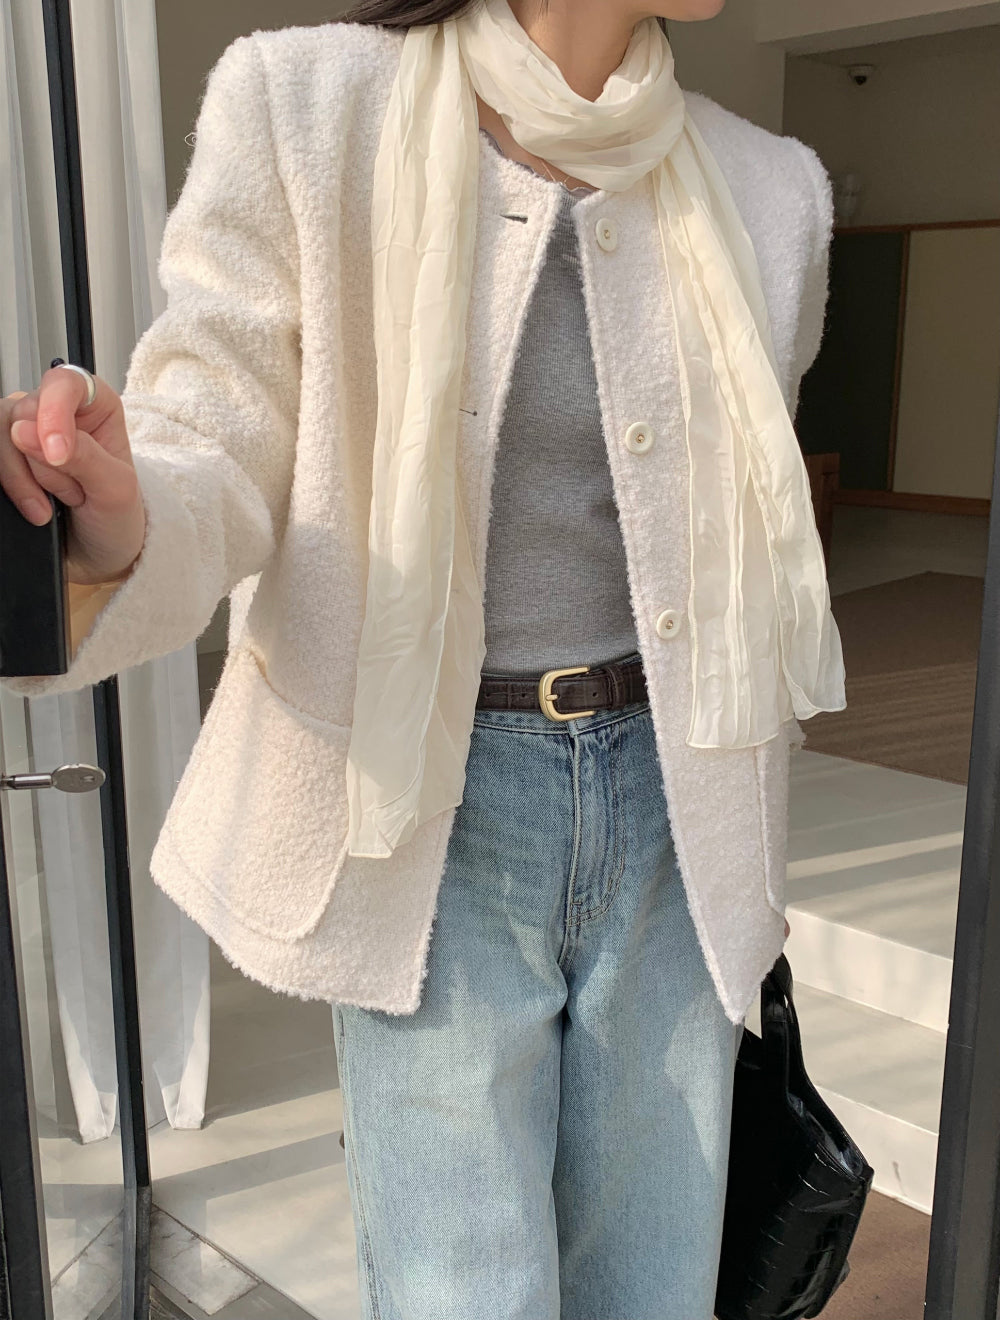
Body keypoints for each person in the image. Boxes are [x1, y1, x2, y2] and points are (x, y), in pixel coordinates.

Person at [0, 0, 844, 1314]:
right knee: (464, 1291)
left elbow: (730, 543)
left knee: (655, 1286)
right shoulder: (307, 109)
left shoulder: (773, 189)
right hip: (429, 809)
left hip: (682, 809)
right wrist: (119, 507)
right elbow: (216, 436)